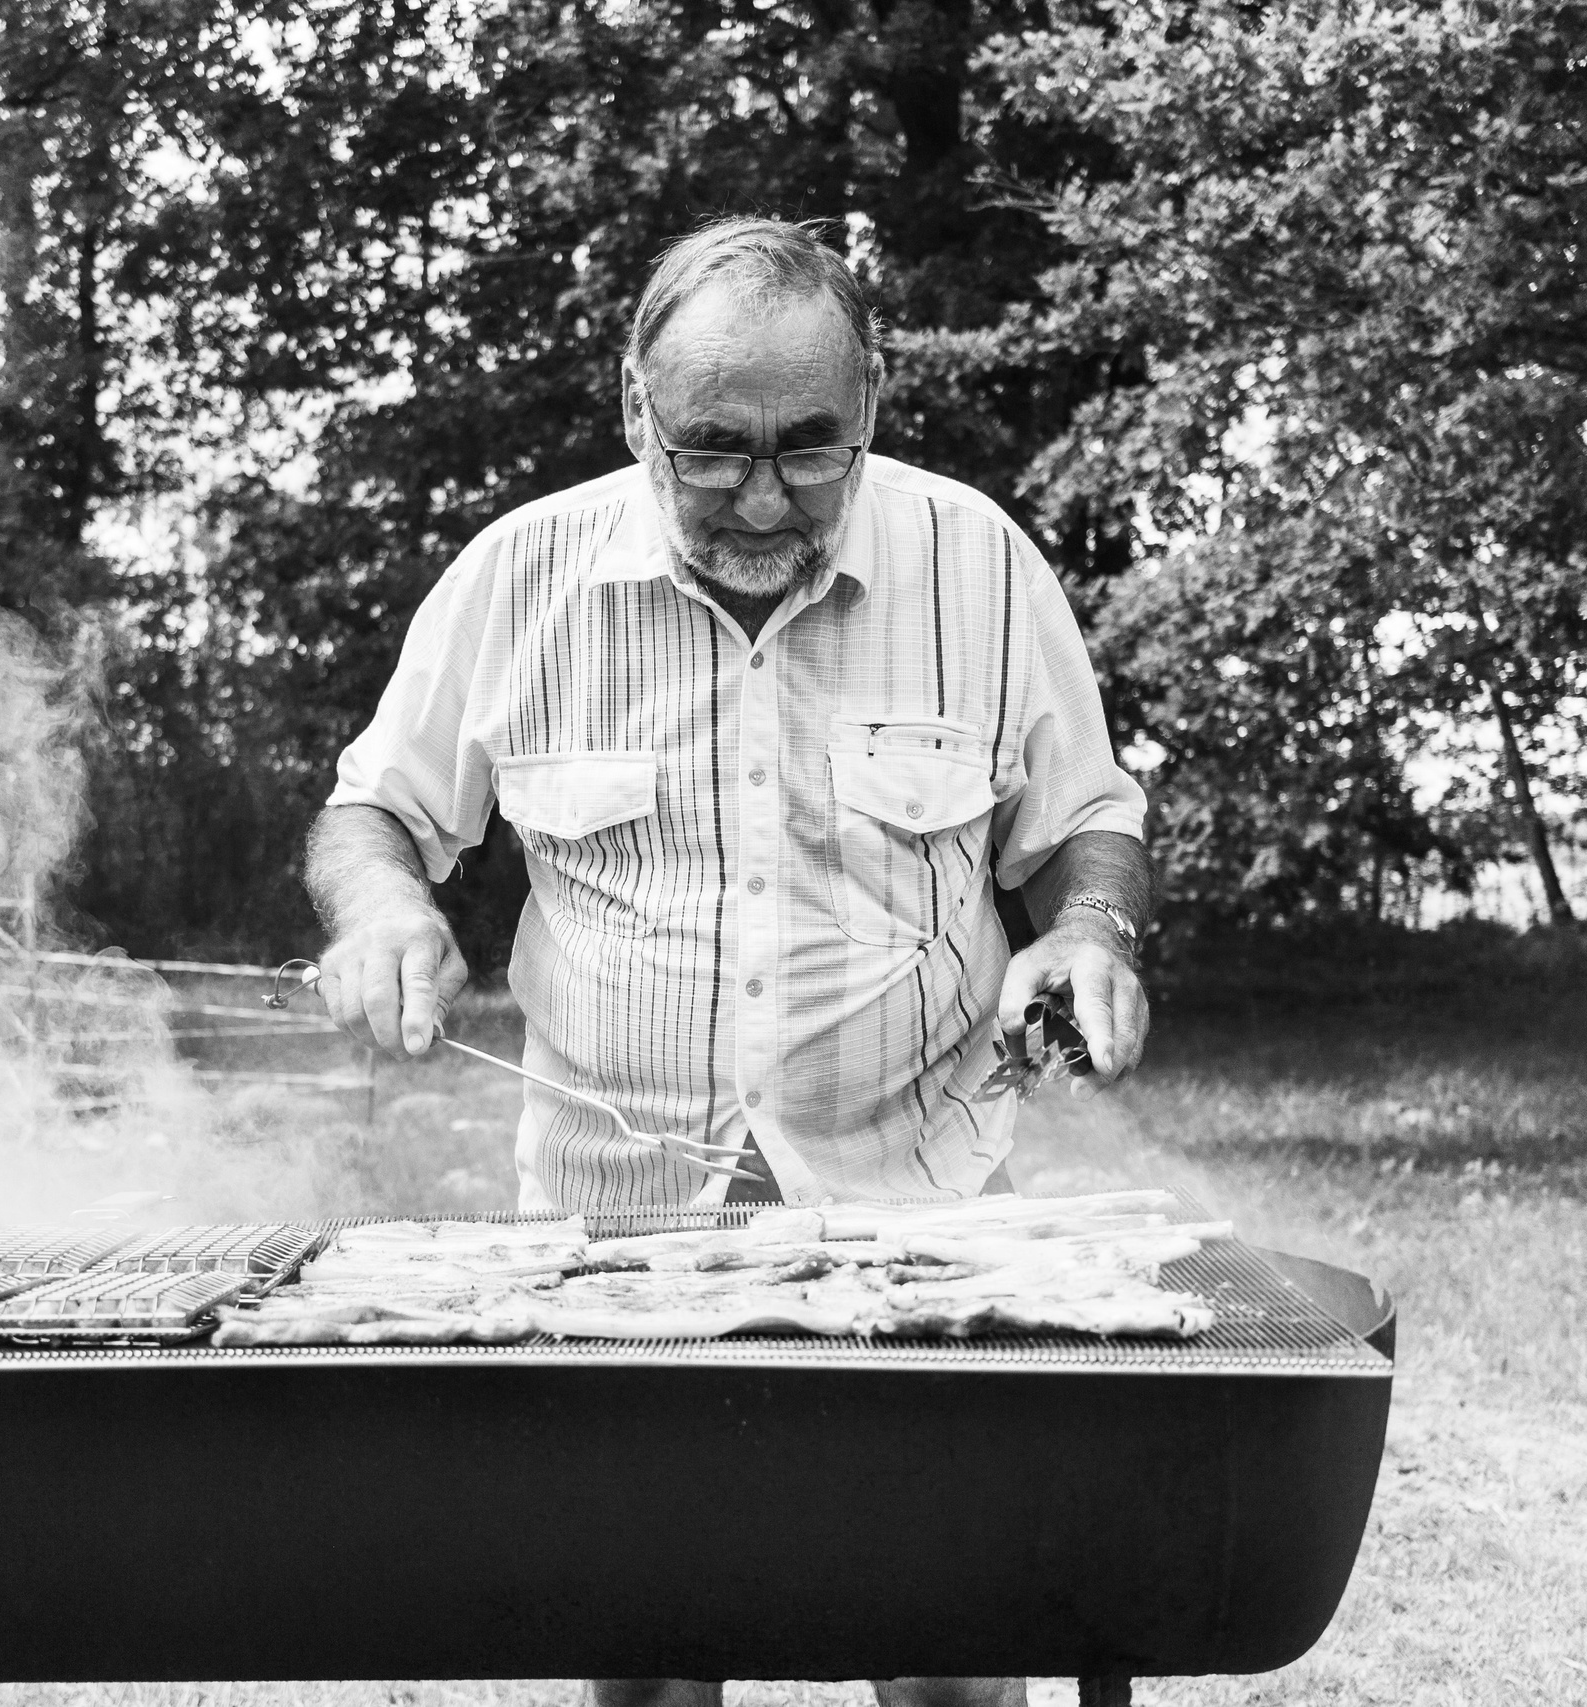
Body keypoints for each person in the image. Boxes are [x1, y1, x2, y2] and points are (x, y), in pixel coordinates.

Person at [304, 216, 1154, 1707]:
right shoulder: (523, 575)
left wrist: (1084, 932)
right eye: (711, 448)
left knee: (951, 1656)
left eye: (810, 447)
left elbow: (1081, 815)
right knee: (645, 1654)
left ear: (873, 406)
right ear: (636, 411)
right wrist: (381, 908)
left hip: (922, 1211)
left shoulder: (981, 564)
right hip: (614, 1231)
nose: (764, 495)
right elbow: (372, 806)